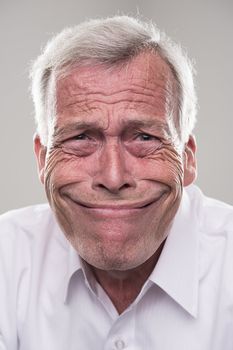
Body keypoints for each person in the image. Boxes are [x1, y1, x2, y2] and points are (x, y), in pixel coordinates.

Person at [0, 15, 232, 350]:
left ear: (187, 159)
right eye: (81, 137)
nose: (113, 177)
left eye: (143, 137)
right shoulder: (6, 256)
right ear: (42, 158)